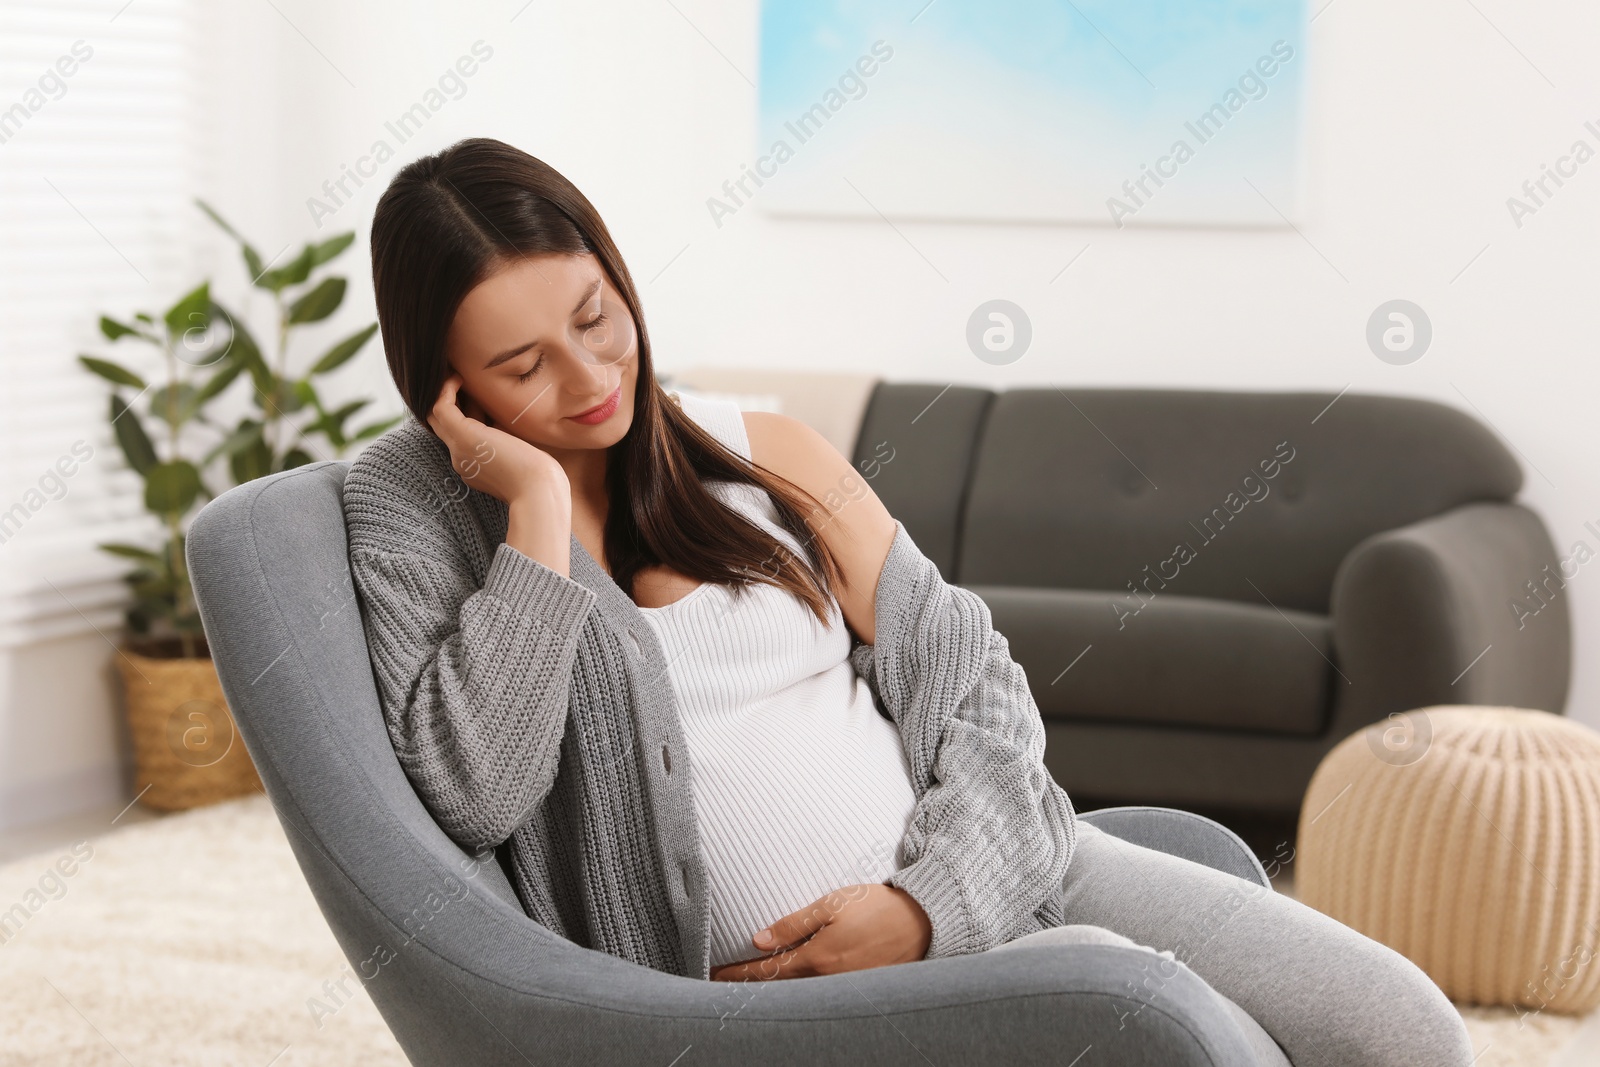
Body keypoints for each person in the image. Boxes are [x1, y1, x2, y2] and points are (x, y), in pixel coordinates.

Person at [344, 136, 1474, 1066]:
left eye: (595, 318)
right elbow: (471, 789)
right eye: (524, 367)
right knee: (1200, 1044)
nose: (591, 381)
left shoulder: (761, 447)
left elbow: (974, 683)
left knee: (1403, 1027)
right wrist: (537, 513)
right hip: (798, 1005)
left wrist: (932, 903)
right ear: (442, 387)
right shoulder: (416, 519)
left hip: (1003, 866)